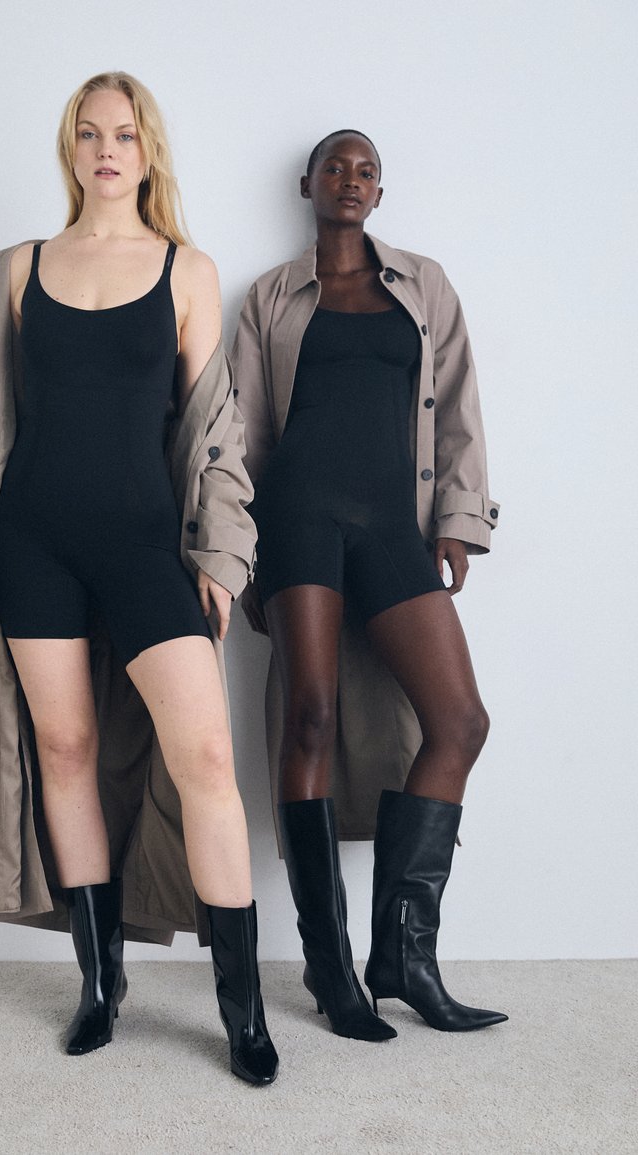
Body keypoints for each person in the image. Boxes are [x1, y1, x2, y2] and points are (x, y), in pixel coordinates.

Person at [0, 71, 277, 1086]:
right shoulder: (17, 269)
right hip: (32, 542)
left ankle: (243, 1011)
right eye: (88, 134)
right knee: (65, 751)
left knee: (206, 757)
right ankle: (98, 984)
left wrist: (220, 558)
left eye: (123, 134)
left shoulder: (186, 270)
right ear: (69, 149)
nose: (106, 150)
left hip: (144, 547)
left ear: (147, 149)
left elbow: (217, 433)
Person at [232, 129, 507, 1041]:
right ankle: (330, 969)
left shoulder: (424, 286)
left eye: (367, 171)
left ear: (379, 194)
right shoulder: (271, 297)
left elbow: (459, 405)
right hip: (298, 519)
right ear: (306, 183)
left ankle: (405, 958)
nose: (350, 180)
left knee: (460, 721)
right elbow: (242, 434)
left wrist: (459, 518)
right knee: (310, 713)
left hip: (394, 523)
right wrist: (241, 551)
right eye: (335, 167)